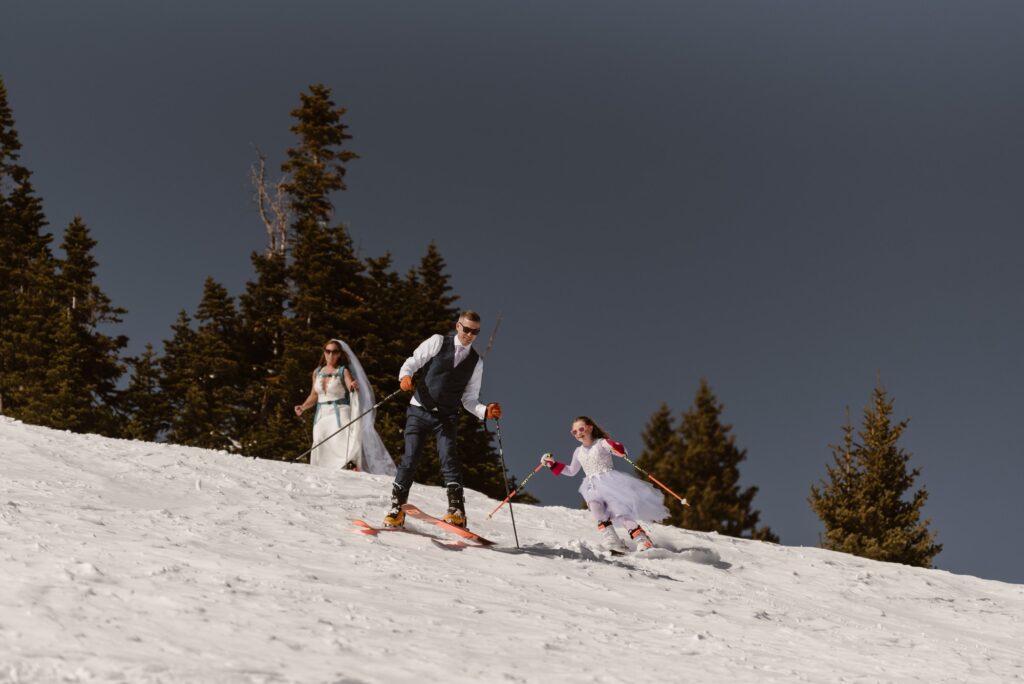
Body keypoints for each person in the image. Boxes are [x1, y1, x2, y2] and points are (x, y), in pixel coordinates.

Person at [383, 310, 502, 528]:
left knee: (449, 457)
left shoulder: (476, 362)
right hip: (419, 410)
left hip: (446, 416)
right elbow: (413, 361)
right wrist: (405, 376)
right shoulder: (438, 342)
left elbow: (469, 398)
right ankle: (397, 508)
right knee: (410, 458)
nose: (469, 335)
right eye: (466, 329)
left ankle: (457, 510)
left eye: (474, 332)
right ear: (458, 326)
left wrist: (485, 411)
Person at [540, 416, 668, 552]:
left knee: (620, 512)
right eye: (574, 432)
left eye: (581, 429)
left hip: (609, 482)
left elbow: (622, 452)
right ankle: (613, 541)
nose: (578, 433)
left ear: (590, 428)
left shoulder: (601, 443)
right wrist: (552, 465)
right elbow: (571, 471)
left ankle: (642, 539)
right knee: (597, 511)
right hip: (591, 486)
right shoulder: (578, 452)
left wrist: (615, 447)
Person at [295, 339, 396, 476]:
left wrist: (353, 386)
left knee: (340, 444)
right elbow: (314, 395)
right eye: (328, 351)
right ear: (324, 352)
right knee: (319, 441)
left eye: (335, 352)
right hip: (322, 414)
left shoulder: (343, 371)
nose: (331, 355)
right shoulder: (317, 372)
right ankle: (323, 476)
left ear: (339, 354)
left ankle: (347, 473)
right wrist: (303, 407)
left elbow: (350, 385)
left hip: (340, 413)